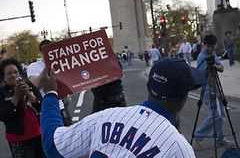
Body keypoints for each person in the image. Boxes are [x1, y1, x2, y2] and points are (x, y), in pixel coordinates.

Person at [40, 58, 203, 158]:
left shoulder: (105, 117)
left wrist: (50, 93)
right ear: (183, 99)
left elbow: (53, 145)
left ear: (149, 86)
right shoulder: (178, 147)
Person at [0, 58, 46, 158]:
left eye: (16, 72)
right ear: (3, 77)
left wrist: (28, 94)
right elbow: (3, 116)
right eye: (9, 73)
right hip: (19, 139)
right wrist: (16, 95)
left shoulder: (28, 85)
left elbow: (41, 105)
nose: (13, 75)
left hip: (39, 134)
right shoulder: (2, 92)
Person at [194, 34, 233, 145]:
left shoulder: (212, 54)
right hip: (207, 89)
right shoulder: (202, 57)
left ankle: (220, 139)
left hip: (215, 86)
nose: (210, 49)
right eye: (208, 46)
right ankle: (198, 135)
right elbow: (209, 76)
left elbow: (221, 68)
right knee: (216, 114)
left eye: (212, 46)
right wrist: (217, 92)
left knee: (222, 115)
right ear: (204, 44)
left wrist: (215, 67)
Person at [27, 39, 72, 126]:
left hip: (60, 106)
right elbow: (35, 86)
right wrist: (47, 66)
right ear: (40, 52)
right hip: (45, 108)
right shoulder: (34, 67)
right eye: (46, 51)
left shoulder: (59, 63)